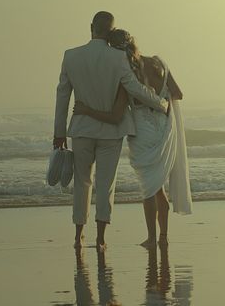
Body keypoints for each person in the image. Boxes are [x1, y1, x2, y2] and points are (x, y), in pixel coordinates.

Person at [53, 12, 169, 250]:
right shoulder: (117, 58)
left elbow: (62, 95)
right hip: (111, 132)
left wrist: (59, 132)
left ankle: (78, 236)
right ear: (110, 31)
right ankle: (101, 238)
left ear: (91, 27)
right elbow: (135, 89)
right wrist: (161, 104)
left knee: (82, 182)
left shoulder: (71, 56)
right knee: (106, 185)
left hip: (82, 129)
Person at [73, 29, 192, 249]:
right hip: (165, 128)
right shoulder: (159, 63)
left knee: (149, 187)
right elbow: (178, 94)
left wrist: (85, 110)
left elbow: (116, 115)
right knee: (158, 186)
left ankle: (151, 237)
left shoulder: (126, 76)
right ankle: (163, 237)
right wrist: (161, 99)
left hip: (142, 130)